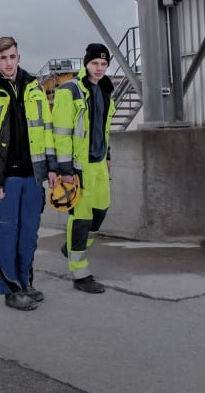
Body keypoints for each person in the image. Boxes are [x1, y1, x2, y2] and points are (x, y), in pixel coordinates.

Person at [0, 37, 57, 311]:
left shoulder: (35, 90)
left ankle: (25, 281)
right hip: (6, 178)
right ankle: (10, 288)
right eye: (3, 57)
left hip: (33, 175)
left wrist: (51, 167)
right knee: (7, 234)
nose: (9, 62)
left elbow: (47, 129)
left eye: (13, 57)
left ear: (19, 57)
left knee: (29, 233)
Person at [52, 43, 116, 294]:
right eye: (95, 63)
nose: (99, 68)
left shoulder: (105, 90)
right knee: (81, 218)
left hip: (99, 164)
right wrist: (66, 168)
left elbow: (103, 128)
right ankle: (80, 273)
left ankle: (71, 247)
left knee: (101, 211)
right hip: (78, 166)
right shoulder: (70, 90)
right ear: (86, 64)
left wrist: (108, 155)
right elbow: (62, 133)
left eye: (103, 64)